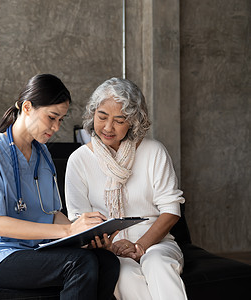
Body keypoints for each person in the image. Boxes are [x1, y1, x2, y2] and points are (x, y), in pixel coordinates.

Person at [0, 74, 120, 300]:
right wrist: (68, 231)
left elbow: (51, 214)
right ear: (27, 107)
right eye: (51, 117)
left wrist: (86, 232)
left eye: (61, 120)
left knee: (107, 261)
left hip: (30, 251)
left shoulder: (43, 155)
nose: (55, 127)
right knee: (79, 263)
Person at [65, 77, 188, 300]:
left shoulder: (154, 151)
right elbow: (79, 221)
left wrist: (140, 246)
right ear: (93, 114)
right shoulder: (79, 160)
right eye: (102, 117)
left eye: (119, 120)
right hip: (108, 250)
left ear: (133, 121)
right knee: (124, 273)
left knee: (157, 264)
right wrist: (108, 246)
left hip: (156, 243)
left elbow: (171, 210)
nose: (108, 127)